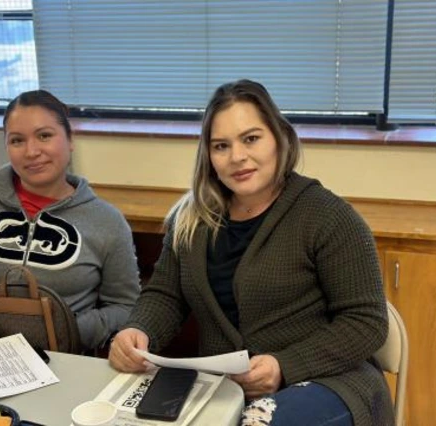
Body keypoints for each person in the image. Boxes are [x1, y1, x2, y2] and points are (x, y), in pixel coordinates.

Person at [108, 79, 394, 425]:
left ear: (280, 137)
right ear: (209, 156)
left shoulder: (330, 217)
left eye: (251, 139)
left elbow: (366, 323)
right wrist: (139, 330)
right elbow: (166, 294)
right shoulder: (192, 218)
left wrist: (284, 366)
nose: (237, 157)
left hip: (328, 381)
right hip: (227, 389)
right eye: (221, 146)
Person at [0, 89, 140, 352]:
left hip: (59, 363)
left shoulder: (107, 222)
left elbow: (125, 306)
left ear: (70, 139)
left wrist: (69, 331)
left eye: (44, 136)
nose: (31, 151)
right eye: (17, 140)